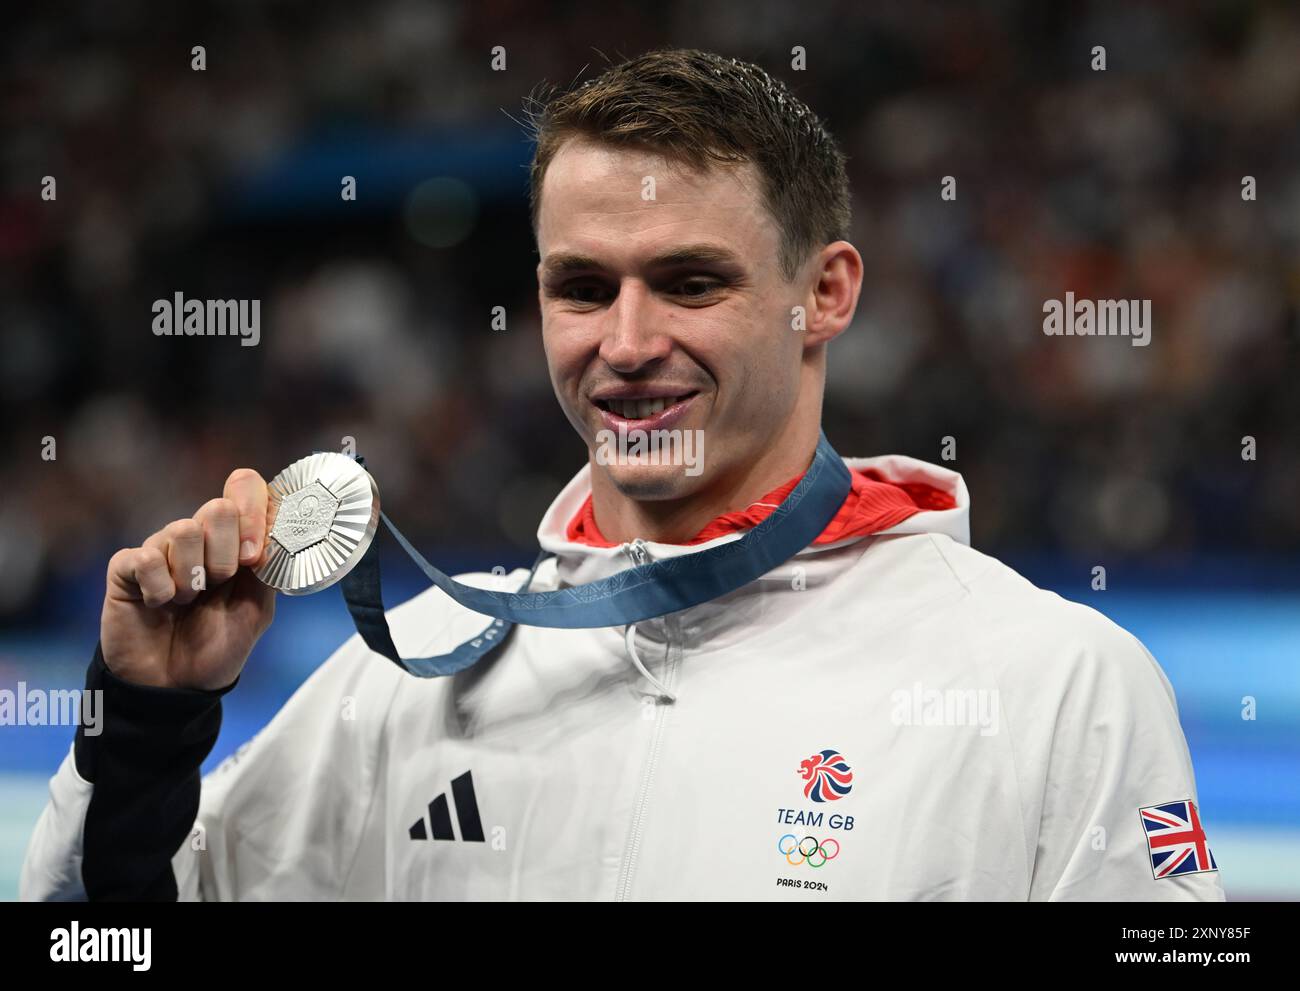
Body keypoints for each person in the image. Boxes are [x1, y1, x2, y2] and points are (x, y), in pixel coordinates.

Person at [21, 48, 1224, 901]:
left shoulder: (1054, 686)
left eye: (691, 281)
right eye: (582, 287)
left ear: (827, 293)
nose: (628, 342)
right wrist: (148, 723)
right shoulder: (409, 679)